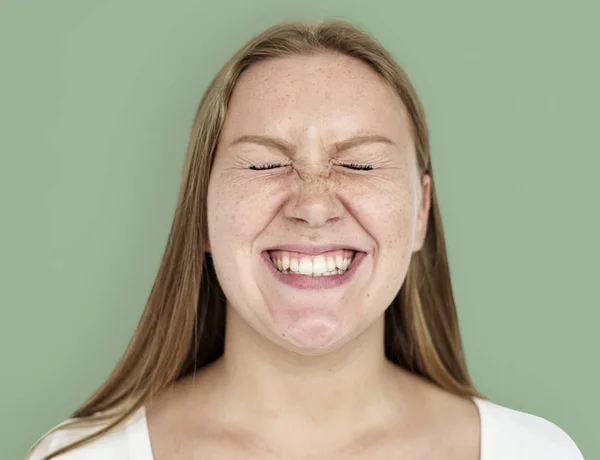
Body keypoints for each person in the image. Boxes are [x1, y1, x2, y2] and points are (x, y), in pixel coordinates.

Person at [27, 19, 584, 460]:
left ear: (420, 213)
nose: (313, 205)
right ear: (199, 212)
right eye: (265, 163)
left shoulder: (537, 454)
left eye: (361, 165)